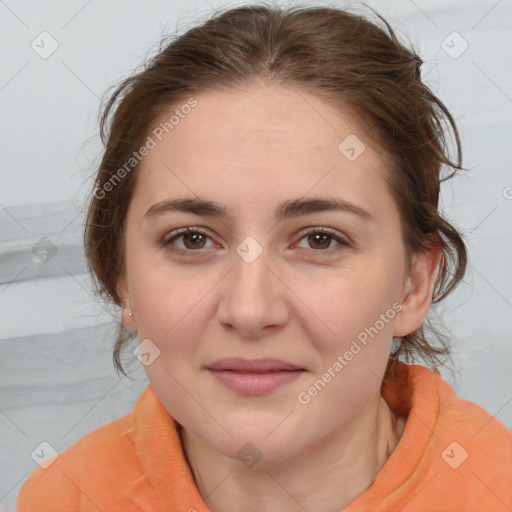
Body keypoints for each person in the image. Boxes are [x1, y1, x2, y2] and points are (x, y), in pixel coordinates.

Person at [16, 3, 511, 512]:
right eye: (191, 239)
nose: (250, 311)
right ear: (123, 279)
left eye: (320, 240)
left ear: (414, 284)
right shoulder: (64, 498)